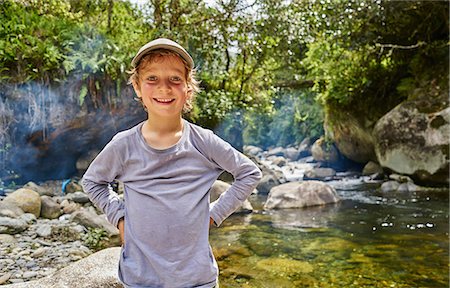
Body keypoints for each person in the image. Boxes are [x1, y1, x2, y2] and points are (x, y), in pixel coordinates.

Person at [81, 38, 262, 288]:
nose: (164, 88)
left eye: (175, 79)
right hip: (140, 279)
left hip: (197, 279)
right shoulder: (123, 145)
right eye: (152, 78)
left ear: (188, 87)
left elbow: (249, 173)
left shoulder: (203, 141)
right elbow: (93, 182)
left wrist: (214, 215)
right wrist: (120, 217)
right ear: (137, 86)